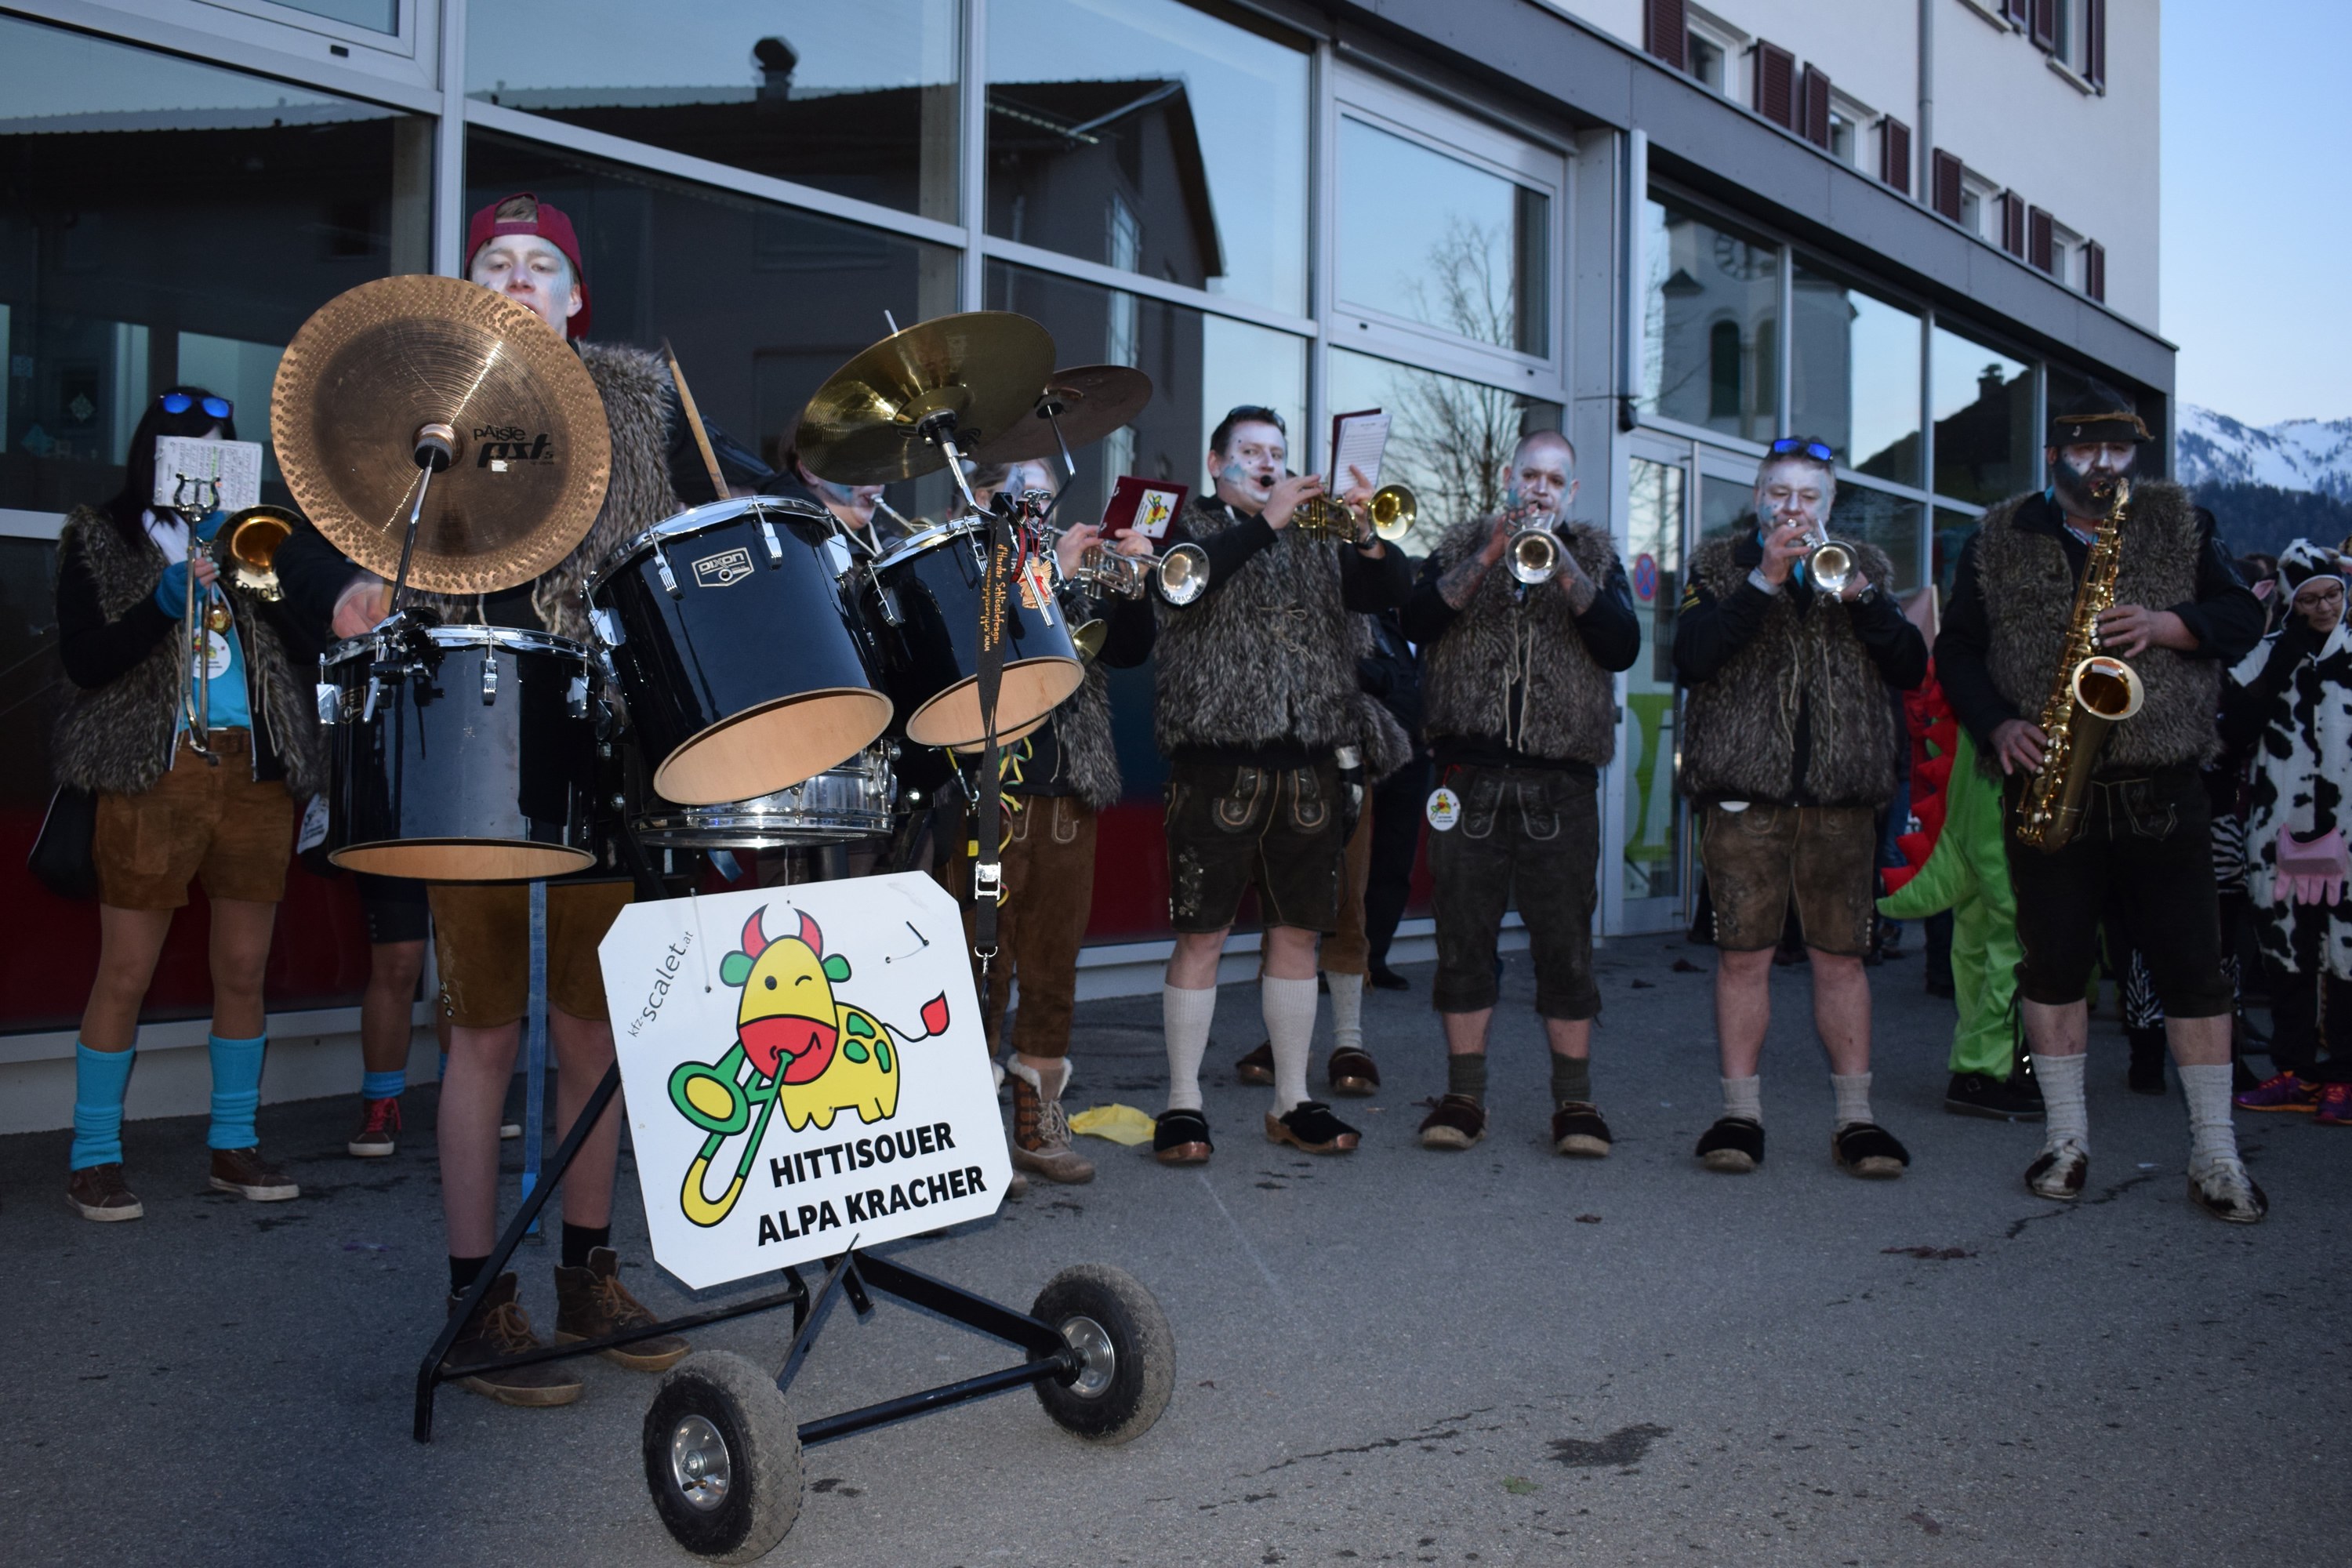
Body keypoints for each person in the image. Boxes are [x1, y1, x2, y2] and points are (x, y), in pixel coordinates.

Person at [385, 193, 779, 1401]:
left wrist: (830, 496)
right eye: (495, 261)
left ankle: (587, 1274)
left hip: (605, 737)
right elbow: (334, 526)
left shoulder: (641, 405)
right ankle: (475, 1302)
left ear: (574, 298)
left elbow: (748, 490)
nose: (516, 276)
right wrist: (344, 590)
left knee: (592, 1033)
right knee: (483, 1033)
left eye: (538, 263)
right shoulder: (421, 409)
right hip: (469, 740)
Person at [1935, 390, 2269, 1222]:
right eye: (2086, 450)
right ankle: (2066, 1139)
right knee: (2051, 966)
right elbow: (1959, 650)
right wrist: (1998, 723)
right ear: (2055, 454)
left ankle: (2216, 1150)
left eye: (2119, 450)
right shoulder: (1997, 536)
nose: (2104, 465)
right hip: (2050, 784)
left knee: (2194, 970)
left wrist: (2166, 624)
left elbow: (2242, 615)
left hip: (2162, 786)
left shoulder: (2181, 522)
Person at [53, 387, 326, 1221]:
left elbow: (308, 644)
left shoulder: (253, 538)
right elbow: (85, 661)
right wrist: (163, 603)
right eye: (190, 446)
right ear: (155, 453)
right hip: (154, 770)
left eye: (222, 445)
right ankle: (93, 1156)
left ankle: (233, 1144)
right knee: (126, 970)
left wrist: (254, 569)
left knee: (243, 967)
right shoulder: (101, 535)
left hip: (253, 772)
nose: (207, 461)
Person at [1150, 407, 1411, 1164]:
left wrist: (1364, 534)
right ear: (1216, 463)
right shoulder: (1185, 532)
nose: (1268, 463)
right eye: (1251, 451)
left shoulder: (1320, 536)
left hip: (1308, 763)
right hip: (1215, 762)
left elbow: (1392, 588)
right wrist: (1266, 523)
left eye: (1277, 452)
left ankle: (1292, 1100)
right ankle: (1183, 1103)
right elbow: (1182, 591)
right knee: (1202, 935)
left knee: (1298, 933)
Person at [1673, 436, 1927, 1179]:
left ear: (1830, 505)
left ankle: (1856, 1120)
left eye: (1808, 497)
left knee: (1841, 963)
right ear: (1758, 498)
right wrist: (1764, 580)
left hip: (1840, 800)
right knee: (1742, 959)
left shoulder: (1863, 568)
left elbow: (1911, 665)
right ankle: (1739, 1114)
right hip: (1744, 796)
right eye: (1780, 494)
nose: (1793, 509)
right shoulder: (1717, 567)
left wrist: (1863, 599)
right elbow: (1692, 657)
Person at [1400, 430, 1639, 1153]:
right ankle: (1463, 1098)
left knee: (1565, 948)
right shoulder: (1459, 547)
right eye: (1530, 476)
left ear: (1572, 493)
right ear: (1509, 479)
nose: (1540, 489)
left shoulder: (1597, 559)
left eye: (1554, 481)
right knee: (1461, 942)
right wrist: (1489, 555)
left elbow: (1622, 645)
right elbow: (1415, 621)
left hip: (1559, 784)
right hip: (1467, 779)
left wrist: (1563, 567)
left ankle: (1576, 1105)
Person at [942, 458, 1155, 1185]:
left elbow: (1130, 651)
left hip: (1068, 790)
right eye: (1015, 495)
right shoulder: (958, 562)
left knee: (1053, 967)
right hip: (985, 792)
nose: (1033, 508)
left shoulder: (1067, 562)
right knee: (978, 970)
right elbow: (993, 641)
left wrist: (1131, 581)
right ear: (975, 497)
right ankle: (968, 1131)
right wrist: (1054, 576)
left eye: (1041, 495)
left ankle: (1039, 1122)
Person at [268, 524, 435, 1156]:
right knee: (399, 956)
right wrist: (350, 589)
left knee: (468, 956)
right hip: (383, 769)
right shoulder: (362, 509)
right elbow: (294, 553)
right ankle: (380, 1102)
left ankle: (469, 1089)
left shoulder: (495, 525)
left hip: (471, 761)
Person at [2227, 541, 2352, 1123]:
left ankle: (2344, 1076)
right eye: (2310, 599)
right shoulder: (2266, 654)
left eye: (2333, 595)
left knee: (2348, 953)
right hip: (2280, 829)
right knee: (2287, 953)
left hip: (2349, 830)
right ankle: (2297, 1072)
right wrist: (2283, 662)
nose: (2324, 608)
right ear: (2289, 601)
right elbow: (2233, 730)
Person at [1359, 608, 1426, 992]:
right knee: (1345, 861)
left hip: (1415, 754)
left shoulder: (1428, 618)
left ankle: (1374, 959)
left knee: (1395, 860)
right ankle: (1335, 959)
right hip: (1365, 749)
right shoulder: (1368, 612)